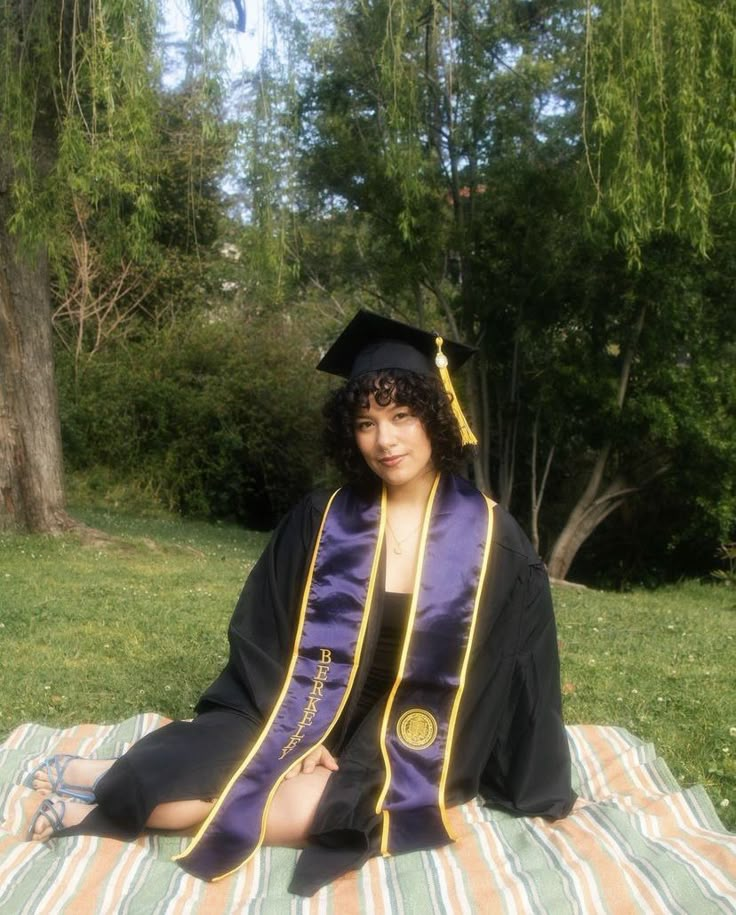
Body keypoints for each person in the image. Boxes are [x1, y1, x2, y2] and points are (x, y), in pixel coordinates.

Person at [27, 310, 575, 896]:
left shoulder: (492, 537)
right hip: (305, 698)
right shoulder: (324, 518)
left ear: (436, 418)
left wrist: (531, 773)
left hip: (410, 723)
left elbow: (520, 665)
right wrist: (299, 736)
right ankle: (103, 775)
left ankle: (93, 811)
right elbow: (262, 630)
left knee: (328, 810)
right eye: (366, 423)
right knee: (191, 775)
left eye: (402, 416)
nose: (384, 440)